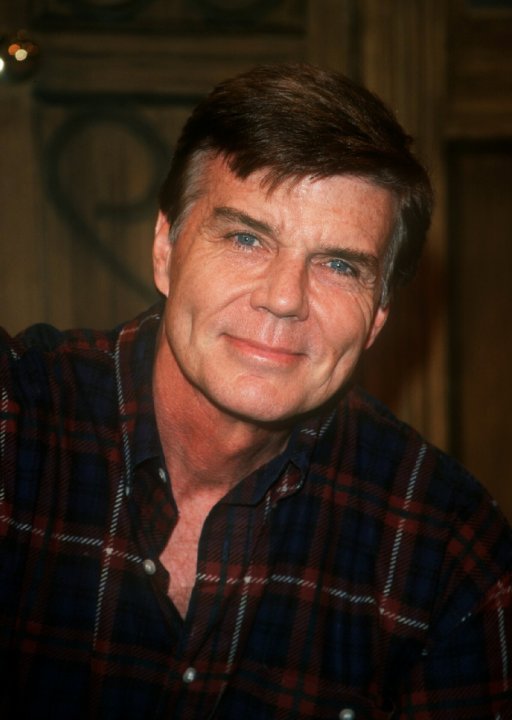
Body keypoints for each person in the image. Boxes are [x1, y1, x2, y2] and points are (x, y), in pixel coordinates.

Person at [0, 63, 510, 720]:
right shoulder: (15, 424)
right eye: (246, 238)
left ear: (379, 315)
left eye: (338, 265)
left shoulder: (447, 553)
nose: (284, 298)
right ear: (165, 249)